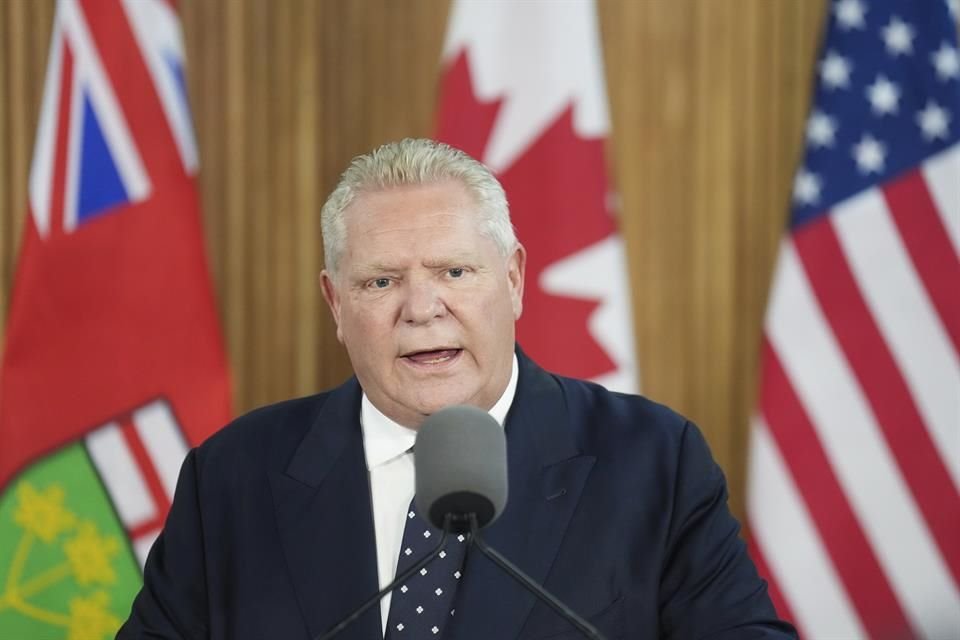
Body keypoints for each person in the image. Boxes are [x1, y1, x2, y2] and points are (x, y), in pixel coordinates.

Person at [118, 138, 797, 639]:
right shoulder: (233, 476)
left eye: (454, 272)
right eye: (381, 281)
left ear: (513, 280)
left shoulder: (653, 462)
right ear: (334, 304)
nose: (421, 307)